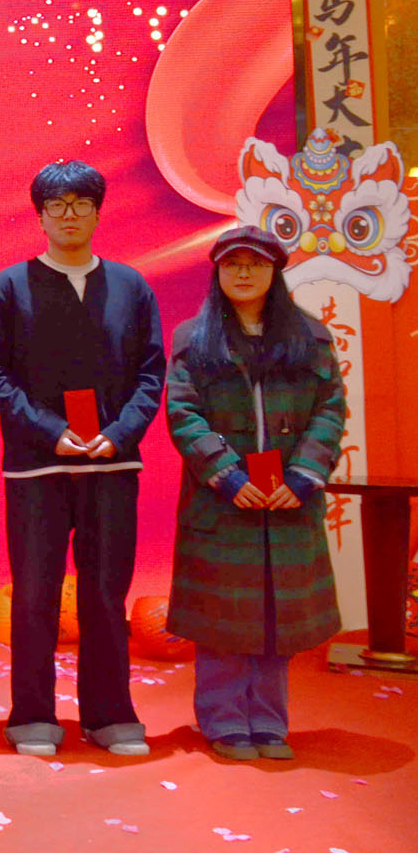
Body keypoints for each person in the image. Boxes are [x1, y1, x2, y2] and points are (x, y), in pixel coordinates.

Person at [0, 160, 163, 757]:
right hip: (38, 466)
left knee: (106, 593)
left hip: (112, 465)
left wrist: (121, 433)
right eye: (57, 206)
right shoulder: (10, 286)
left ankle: (109, 715)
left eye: (82, 204)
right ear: (40, 217)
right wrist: (49, 431)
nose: (70, 215)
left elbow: (151, 372)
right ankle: (32, 714)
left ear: (99, 213)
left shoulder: (131, 286)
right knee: (35, 594)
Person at [164, 226, 345, 762]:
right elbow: (183, 413)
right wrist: (226, 475)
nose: (243, 273)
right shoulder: (193, 339)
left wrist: (303, 475)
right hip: (222, 503)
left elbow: (330, 409)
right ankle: (223, 720)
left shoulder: (311, 337)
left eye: (256, 264)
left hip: (289, 500)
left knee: (275, 617)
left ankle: (268, 721)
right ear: (218, 273)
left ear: (275, 272)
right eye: (232, 264)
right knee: (223, 618)